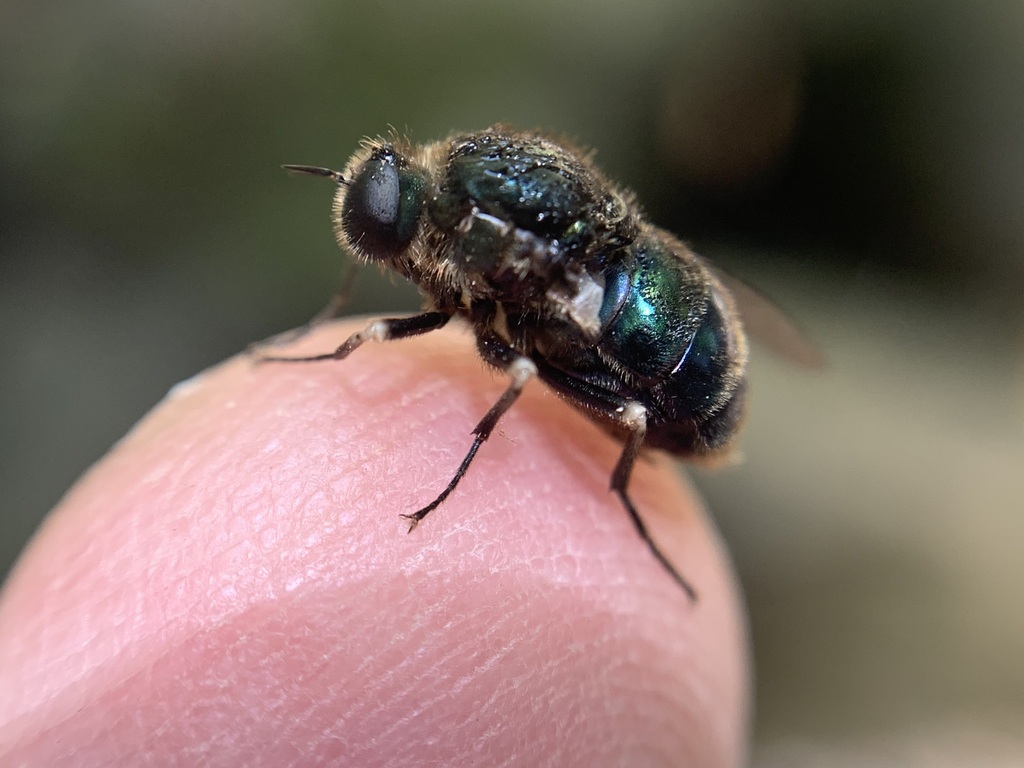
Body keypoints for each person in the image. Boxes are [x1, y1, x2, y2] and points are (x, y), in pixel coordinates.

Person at [0, 321, 749, 767]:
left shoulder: (496, 258)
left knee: (550, 380)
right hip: (655, 309)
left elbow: (527, 361)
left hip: (672, 360)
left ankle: (626, 501)